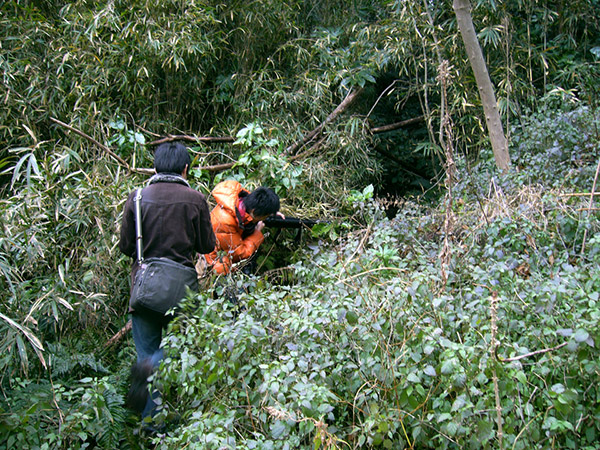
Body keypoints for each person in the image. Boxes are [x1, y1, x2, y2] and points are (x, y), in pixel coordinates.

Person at [118, 142, 216, 427]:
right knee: (177, 347)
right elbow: (207, 244)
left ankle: (151, 424)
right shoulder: (196, 199)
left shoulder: (136, 198)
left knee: (146, 351)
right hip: (180, 291)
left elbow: (126, 246)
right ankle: (153, 369)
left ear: (156, 167)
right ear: (186, 168)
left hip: (144, 288)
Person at [204, 180, 282, 275]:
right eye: (265, 216)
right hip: (216, 264)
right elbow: (239, 254)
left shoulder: (242, 201)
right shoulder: (225, 222)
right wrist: (257, 232)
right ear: (254, 212)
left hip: (227, 253)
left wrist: (272, 211)